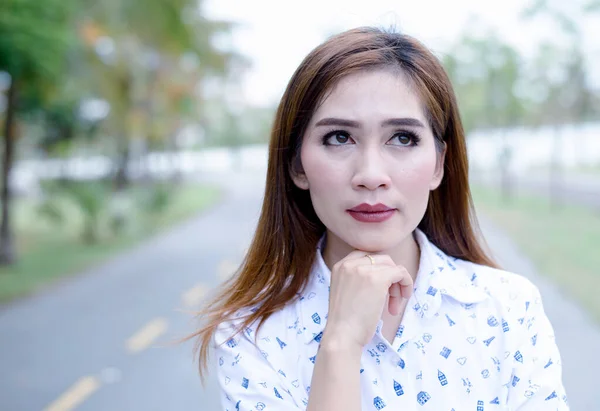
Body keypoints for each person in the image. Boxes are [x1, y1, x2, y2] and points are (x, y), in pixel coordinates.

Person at [189, 27, 569, 410]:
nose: (371, 174)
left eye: (402, 138)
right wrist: (339, 343)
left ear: (439, 164)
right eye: (339, 137)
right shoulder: (252, 335)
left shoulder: (507, 307)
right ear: (296, 165)